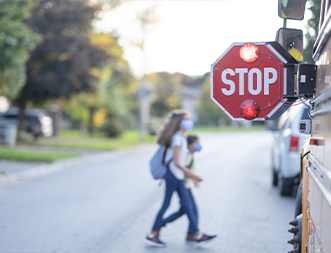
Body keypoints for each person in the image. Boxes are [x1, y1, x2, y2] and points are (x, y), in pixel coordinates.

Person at [144, 110, 216, 247]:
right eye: (187, 119)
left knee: (187, 206)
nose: (190, 121)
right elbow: (177, 162)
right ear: (179, 123)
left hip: (177, 176)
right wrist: (194, 175)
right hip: (172, 176)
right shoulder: (176, 138)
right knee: (167, 204)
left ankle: (197, 234)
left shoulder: (181, 137)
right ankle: (152, 234)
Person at [160, 135, 205, 241]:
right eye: (196, 143)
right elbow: (184, 171)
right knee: (192, 210)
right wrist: (195, 177)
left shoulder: (190, 155)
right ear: (189, 146)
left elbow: (188, 170)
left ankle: (190, 232)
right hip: (184, 187)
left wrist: (193, 179)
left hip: (186, 185)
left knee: (185, 210)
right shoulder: (188, 156)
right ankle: (193, 233)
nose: (199, 145)